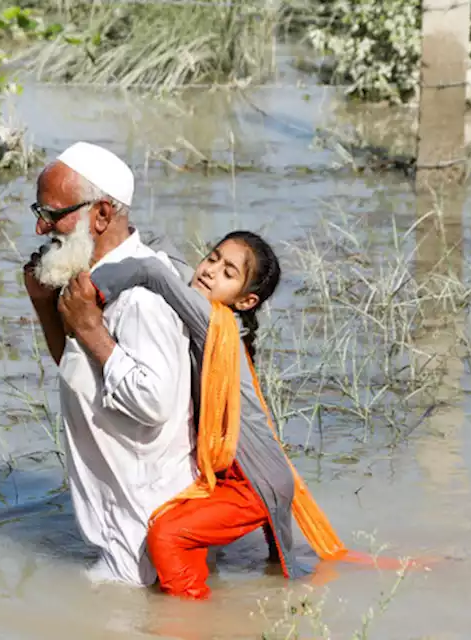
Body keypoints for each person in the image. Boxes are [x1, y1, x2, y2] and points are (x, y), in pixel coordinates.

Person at [81, 230, 357, 600]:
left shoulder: (212, 323)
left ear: (246, 301)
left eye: (228, 273)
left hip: (251, 482)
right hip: (255, 475)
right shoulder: (221, 322)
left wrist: (86, 293)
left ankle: (191, 618)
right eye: (212, 259)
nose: (210, 272)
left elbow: (154, 271)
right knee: (286, 579)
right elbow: (170, 263)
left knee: (167, 533)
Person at [21, 141, 198, 588]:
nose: (42, 227)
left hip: (143, 543)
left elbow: (154, 401)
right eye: (37, 211)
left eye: (53, 213)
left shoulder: (141, 295)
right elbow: (82, 370)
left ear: (101, 215)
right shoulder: (90, 280)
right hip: (120, 535)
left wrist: (94, 332)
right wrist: (47, 306)